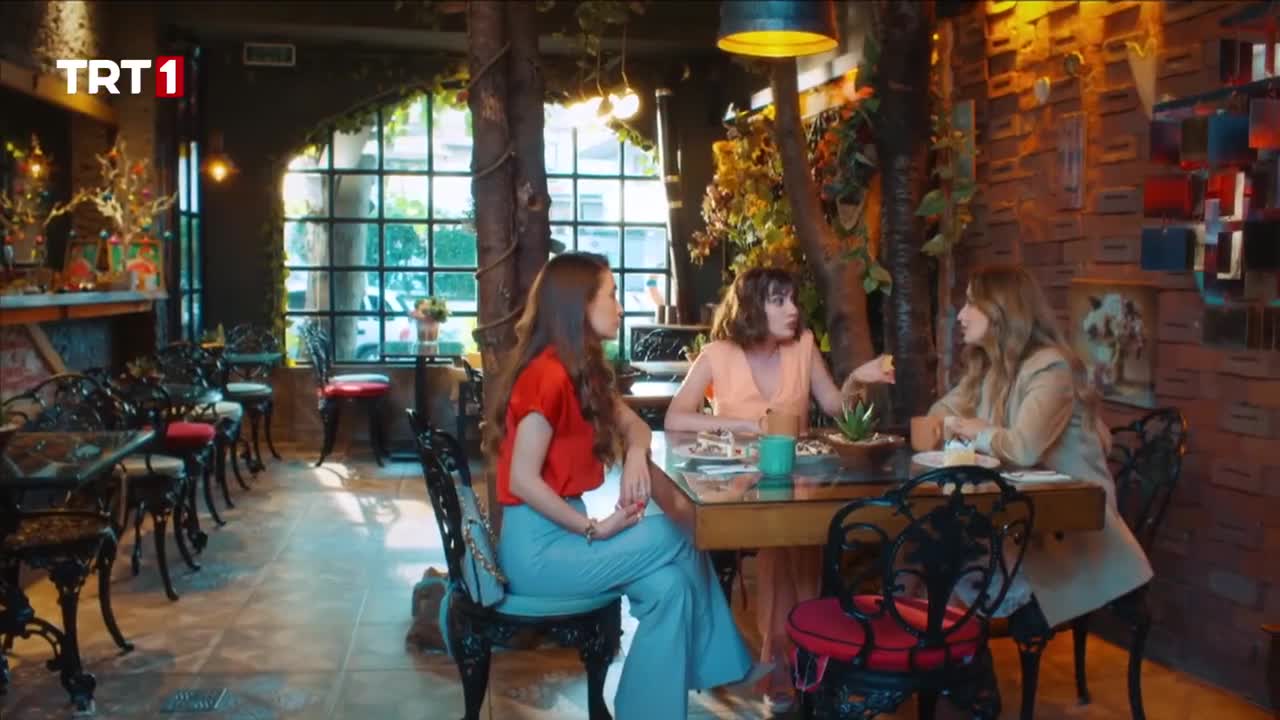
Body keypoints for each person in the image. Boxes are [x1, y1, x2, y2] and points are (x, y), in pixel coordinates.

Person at [488, 252, 756, 720]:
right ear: (580, 305)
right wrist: (594, 528)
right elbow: (522, 481)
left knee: (671, 586)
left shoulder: (580, 372)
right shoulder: (546, 376)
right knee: (681, 530)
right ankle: (727, 667)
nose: (620, 305)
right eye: (611, 295)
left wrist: (635, 454)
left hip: (564, 539)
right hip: (538, 553)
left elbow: (637, 426)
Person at [663, 267, 894, 713]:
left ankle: (792, 658)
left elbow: (836, 407)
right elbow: (676, 418)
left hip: (800, 482)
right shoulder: (718, 353)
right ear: (753, 307)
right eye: (778, 300)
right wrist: (744, 425)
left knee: (794, 533)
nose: (792, 310)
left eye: (792, 300)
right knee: (779, 536)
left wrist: (858, 380)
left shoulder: (803, 346)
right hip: (736, 489)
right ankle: (797, 655)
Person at [928, 264, 1153, 626]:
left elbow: (1024, 449)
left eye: (971, 303)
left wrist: (975, 430)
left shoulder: (1050, 368)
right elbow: (939, 414)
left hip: (1067, 528)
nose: (961, 316)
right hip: (1018, 519)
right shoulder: (991, 366)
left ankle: (962, 661)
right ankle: (963, 662)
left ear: (1001, 310)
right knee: (929, 563)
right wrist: (955, 423)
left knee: (941, 569)